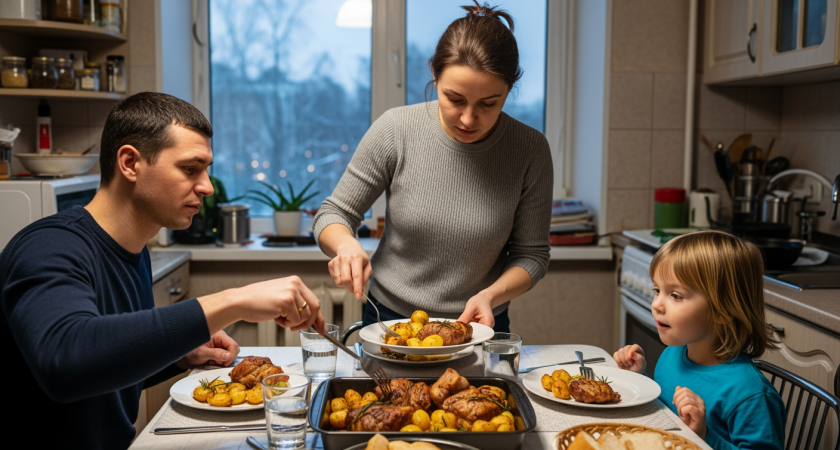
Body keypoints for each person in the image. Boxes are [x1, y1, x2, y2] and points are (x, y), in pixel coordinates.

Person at [0, 92, 325, 450]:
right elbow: (66, 363)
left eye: (206, 170)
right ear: (130, 163)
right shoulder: (48, 246)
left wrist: (179, 355)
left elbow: (106, 371)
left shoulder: (134, 251)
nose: (207, 187)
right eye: (190, 169)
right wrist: (234, 301)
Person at [313, 1, 552, 331]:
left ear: (509, 90)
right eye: (455, 99)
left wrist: (491, 296)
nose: (469, 118)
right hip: (391, 321)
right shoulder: (396, 130)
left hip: (480, 323)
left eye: (488, 104)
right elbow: (333, 214)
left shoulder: (530, 149)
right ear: (435, 76)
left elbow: (532, 255)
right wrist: (347, 246)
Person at [613, 231, 785, 449]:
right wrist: (640, 378)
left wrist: (704, 435)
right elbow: (665, 416)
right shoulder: (673, 355)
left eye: (676, 295)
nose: (656, 304)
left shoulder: (750, 395)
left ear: (723, 310)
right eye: (657, 290)